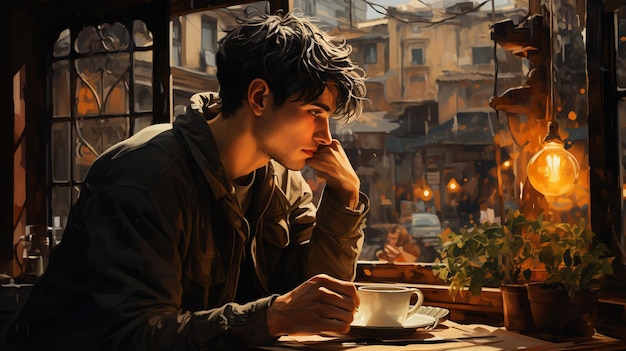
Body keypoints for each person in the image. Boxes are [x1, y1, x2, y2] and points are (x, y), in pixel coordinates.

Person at [1, 9, 369, 350]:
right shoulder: (146, 175)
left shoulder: (283, 181)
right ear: (259, 97)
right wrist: (270, 317)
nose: (326, 136)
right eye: (313, 113)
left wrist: (344, 198)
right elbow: (134, 333)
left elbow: (319, 303)